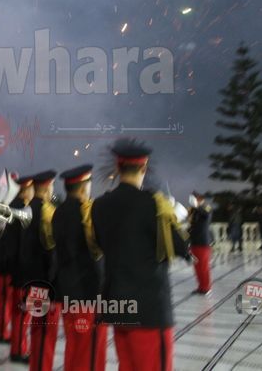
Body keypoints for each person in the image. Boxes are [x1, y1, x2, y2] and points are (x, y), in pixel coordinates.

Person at [91, 139, 192, 371]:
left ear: (118, 168)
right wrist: (176, 217)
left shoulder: (99, 205)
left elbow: (99, 244)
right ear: (144, 168)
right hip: (149, 310)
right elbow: (181, 247)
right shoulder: (155, 204)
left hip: (118, 305)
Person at [52, 165, 107, 371]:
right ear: (84, 187)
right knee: (90, 351)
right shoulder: (88, 213)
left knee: (74, 346)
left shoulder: (57, 213)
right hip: (88, 293)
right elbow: (97, 257)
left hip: (67, 292)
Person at [19, 170, 59, 371]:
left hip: (31, 279)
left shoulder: (28, 209)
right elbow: (51, 252)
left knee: (37, 329)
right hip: (45, 282)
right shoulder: (46, 212)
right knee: (45, 332)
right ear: (47, 187)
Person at [8, 176, 35, 363]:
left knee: (21, 314)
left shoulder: (13, 208)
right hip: (22, 273)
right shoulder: (22, 211)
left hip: (16, 271)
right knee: (22, 315)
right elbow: (23, 247)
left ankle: (18, 348)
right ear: (25, 190)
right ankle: (19, 350)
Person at [188, 191, 213, 295]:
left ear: (199, 199)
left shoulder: (206, 207)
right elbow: (192, 224)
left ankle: (206, 288)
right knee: (197, 267)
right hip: (194, 242)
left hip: (203, 243)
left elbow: (206, 214)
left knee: (203, 267)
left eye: (194, 198)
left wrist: (197, 206)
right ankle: (201, 287)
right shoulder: (193, 210)